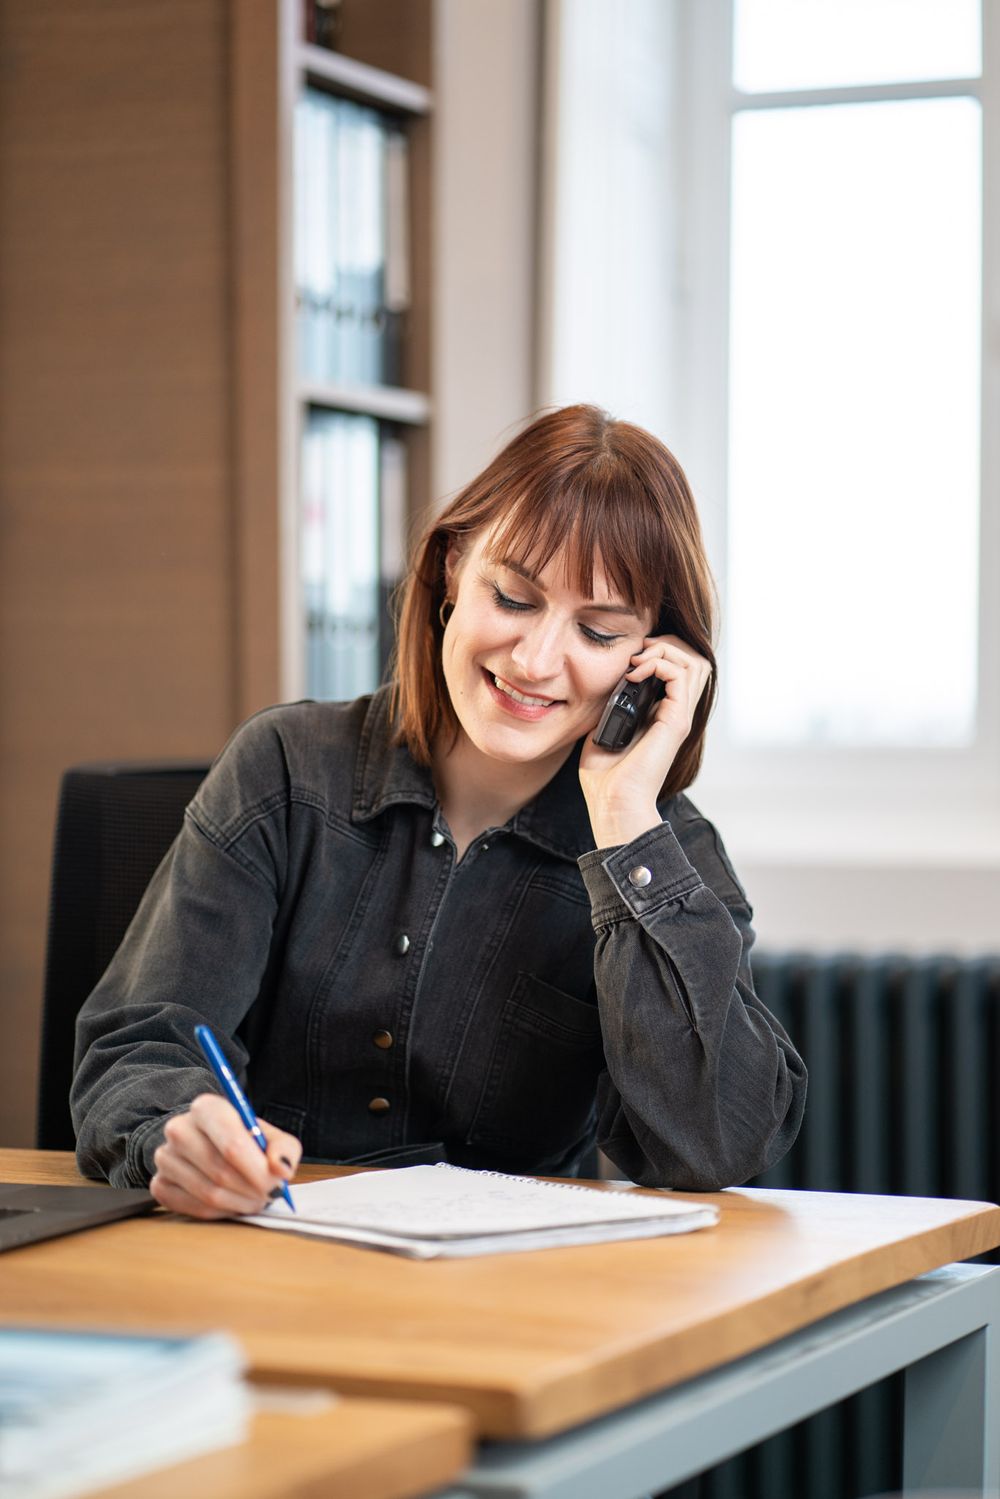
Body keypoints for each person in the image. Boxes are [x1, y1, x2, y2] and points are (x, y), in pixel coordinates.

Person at [71, 404, 806, 1219]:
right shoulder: (285, 768)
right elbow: (137, 1049)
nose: (533, 661)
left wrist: (626, 816)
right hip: (266, 1259)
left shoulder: (665, 850)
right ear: (454, 568)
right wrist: (181, 1132)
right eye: (514, 597)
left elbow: (717, 1143)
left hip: (512, 1302)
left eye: (597, 633)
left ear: (649, 664)